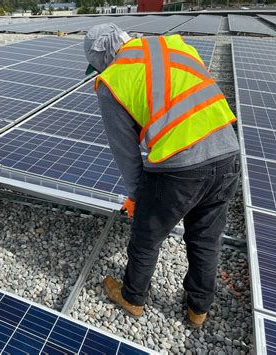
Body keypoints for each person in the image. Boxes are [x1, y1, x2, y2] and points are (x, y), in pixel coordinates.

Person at [84, 24, 240, 328]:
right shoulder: (176, 45)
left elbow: (125, 152)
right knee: (206, 237)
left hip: (180, 165)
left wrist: (137, 196)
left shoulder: (112, 81)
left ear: (103, 57)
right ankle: (198, 309)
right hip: (228, 152)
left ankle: (132, 297)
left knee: (146, 235)